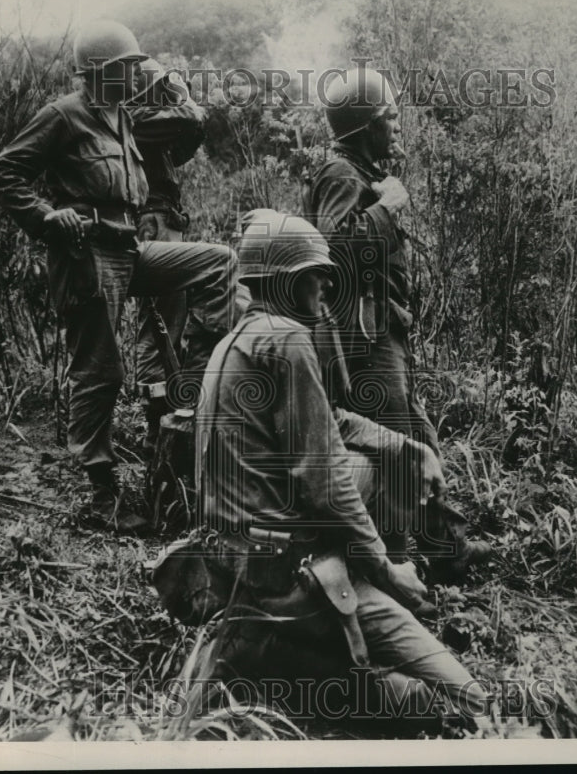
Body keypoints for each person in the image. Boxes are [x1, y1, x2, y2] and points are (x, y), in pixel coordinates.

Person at [160, 210, 490, 729]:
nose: (326, 287)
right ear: (288, 282)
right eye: (316, 275)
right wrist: (387, 570)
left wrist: (406, 446)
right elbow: (326, 479)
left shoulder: (238, 340)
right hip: (289, 578)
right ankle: (279, 653)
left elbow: (327, 420)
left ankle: (282, 651)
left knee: (381, 462)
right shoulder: (287, 340)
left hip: (243, 566)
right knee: (458, 702)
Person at [0, 20, 235, 533]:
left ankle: (195, 381)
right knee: (101, 372)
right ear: (102, 71)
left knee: (217, 262)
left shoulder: (121, 115)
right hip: (87, 254)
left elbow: (178, 138)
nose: (137, 75)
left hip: (128, 248)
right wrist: (46, 217)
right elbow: (6, 172)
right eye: (129, 67)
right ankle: (102, 494)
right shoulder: (63, 115)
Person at [302, 66, 490, 582]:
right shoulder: (342, 175)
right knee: (395, 445)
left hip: (381, 329)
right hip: (363, 337)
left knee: (415, 435)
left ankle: (445, 549)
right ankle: (398, 568)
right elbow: (332, 252)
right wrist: (387, 208)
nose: (397, 125)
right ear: (365, 127)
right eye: (388, 117)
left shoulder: (358, 173)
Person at [127, 59, 207, 459]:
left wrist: (181, 100)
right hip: (153, 222)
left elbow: (192, 135)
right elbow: (191, 118)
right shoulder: (136, 118)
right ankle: (155, 422)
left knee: (168, 318)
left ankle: (161, 417)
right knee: (157, 321)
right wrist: (181, 95)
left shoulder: (154, 126)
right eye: (162, 89)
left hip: (164, 220)